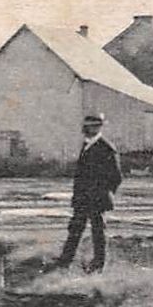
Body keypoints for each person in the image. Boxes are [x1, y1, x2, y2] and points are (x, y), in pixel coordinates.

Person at [53, 113, 123, 272]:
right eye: (85, 125)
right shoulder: (87, 145)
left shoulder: (106, 148)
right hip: (83, 198)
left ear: (97, 127)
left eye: (90, 126)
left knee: (98, 232)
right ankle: (65, 261)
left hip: (97, 199)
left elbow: (116, 177)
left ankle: (98, 264)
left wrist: (104, 194)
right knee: (75, 229)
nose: (85, 129)